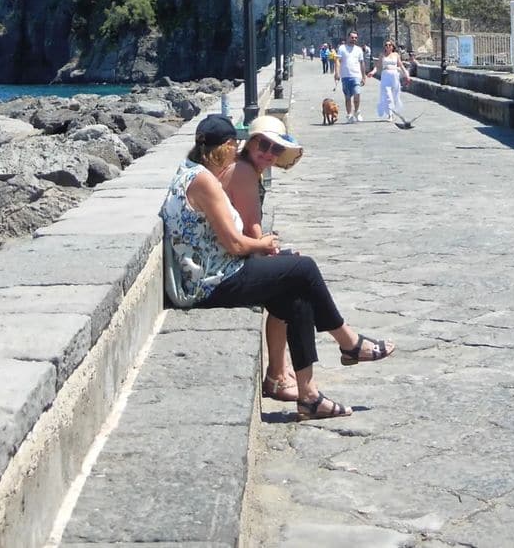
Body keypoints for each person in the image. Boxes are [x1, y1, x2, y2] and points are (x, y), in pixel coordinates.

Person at [162, 114, 395, 421]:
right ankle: (349, 342)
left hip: (208, 274)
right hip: (211, 282)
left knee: (296, 295)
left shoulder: (190, 170)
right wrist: (264, 244)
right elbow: (236, 244)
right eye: (235, 147)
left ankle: (309, 396)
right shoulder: (205, 180)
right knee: (304, 269)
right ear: (229, 145)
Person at [221, 115, 304, 401]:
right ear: (250, 143)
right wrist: (274, 252)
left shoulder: (246, 168)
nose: (269, 153)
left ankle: (282, 368)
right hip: (228, 260)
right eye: (263, 145)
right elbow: (253, 229)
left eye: (276, 149)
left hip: (232, 252)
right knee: (293, 280)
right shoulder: (244, 172)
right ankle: (278, 373)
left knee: (295, 274)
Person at [372, 38, 409, 122]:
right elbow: (377, 66)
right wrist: (373, 72)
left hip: (395, 76)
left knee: (395, 95)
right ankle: (390, 114)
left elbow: (401, 66)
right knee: (388, 95)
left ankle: (394, 111)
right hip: (385, 76)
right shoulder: (382, 55)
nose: (388, 46)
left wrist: (407, 75)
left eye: (389, 45)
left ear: (392, 46)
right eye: (386, 45)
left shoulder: (396, 55)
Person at [335, 28, 367, 123]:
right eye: (352, 37)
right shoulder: (342, 48)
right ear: (348, 37)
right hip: (345, 76)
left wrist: (364, 76)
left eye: (355, 38)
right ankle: (349, 115)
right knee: (347, 97)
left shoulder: (359, 50)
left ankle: (356, 112)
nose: (354, 39)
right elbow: (338, 61)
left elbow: (362, 63)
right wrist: (337, 73)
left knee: (357, 94)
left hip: (356, 75)